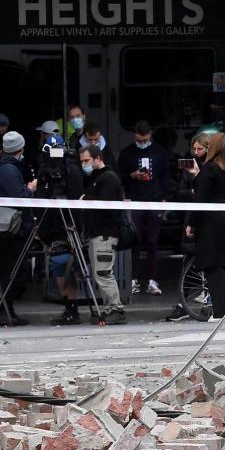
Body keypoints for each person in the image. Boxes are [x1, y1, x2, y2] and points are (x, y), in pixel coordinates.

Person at [57, 145, 127, 326]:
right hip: (97, 233)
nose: (84, 165)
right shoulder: (97, 178)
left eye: (87, 161)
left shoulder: (108, 178)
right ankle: (109, 308)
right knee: (99, 273)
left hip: (105, 233)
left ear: (98, 158)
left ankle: (116, 309)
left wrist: (85, 199)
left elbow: (106, 205)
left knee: (103, 273)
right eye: (81, 161)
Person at [186, 133, 225, 321]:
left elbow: (201, 199)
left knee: (213, 266)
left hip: (211, 222)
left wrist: (191, 224)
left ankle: (221, 311)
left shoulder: (209, 170)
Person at [117, 120, 172, 297]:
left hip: (155, 200)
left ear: (150, 135)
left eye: (145, 140)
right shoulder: (127, 153)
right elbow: (120, 177)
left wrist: (165, 198)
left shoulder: (160, 153)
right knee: (134, 240)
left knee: (153, 242)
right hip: (134, 200)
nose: (142, 143)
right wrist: (132, 175)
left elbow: (166, 177)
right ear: (134, 135)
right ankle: (133, 279)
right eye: (139, 140)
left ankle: (151, 279)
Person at [0, 130, 36, 326]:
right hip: (9, 229)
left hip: (8, 228)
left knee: (10, 270)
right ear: (20, 149)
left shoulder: (5, 167)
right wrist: (31, 189)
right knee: (13, 271)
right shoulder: (9, 170)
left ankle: (6, 310)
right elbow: (19, 197)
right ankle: (2, 310)